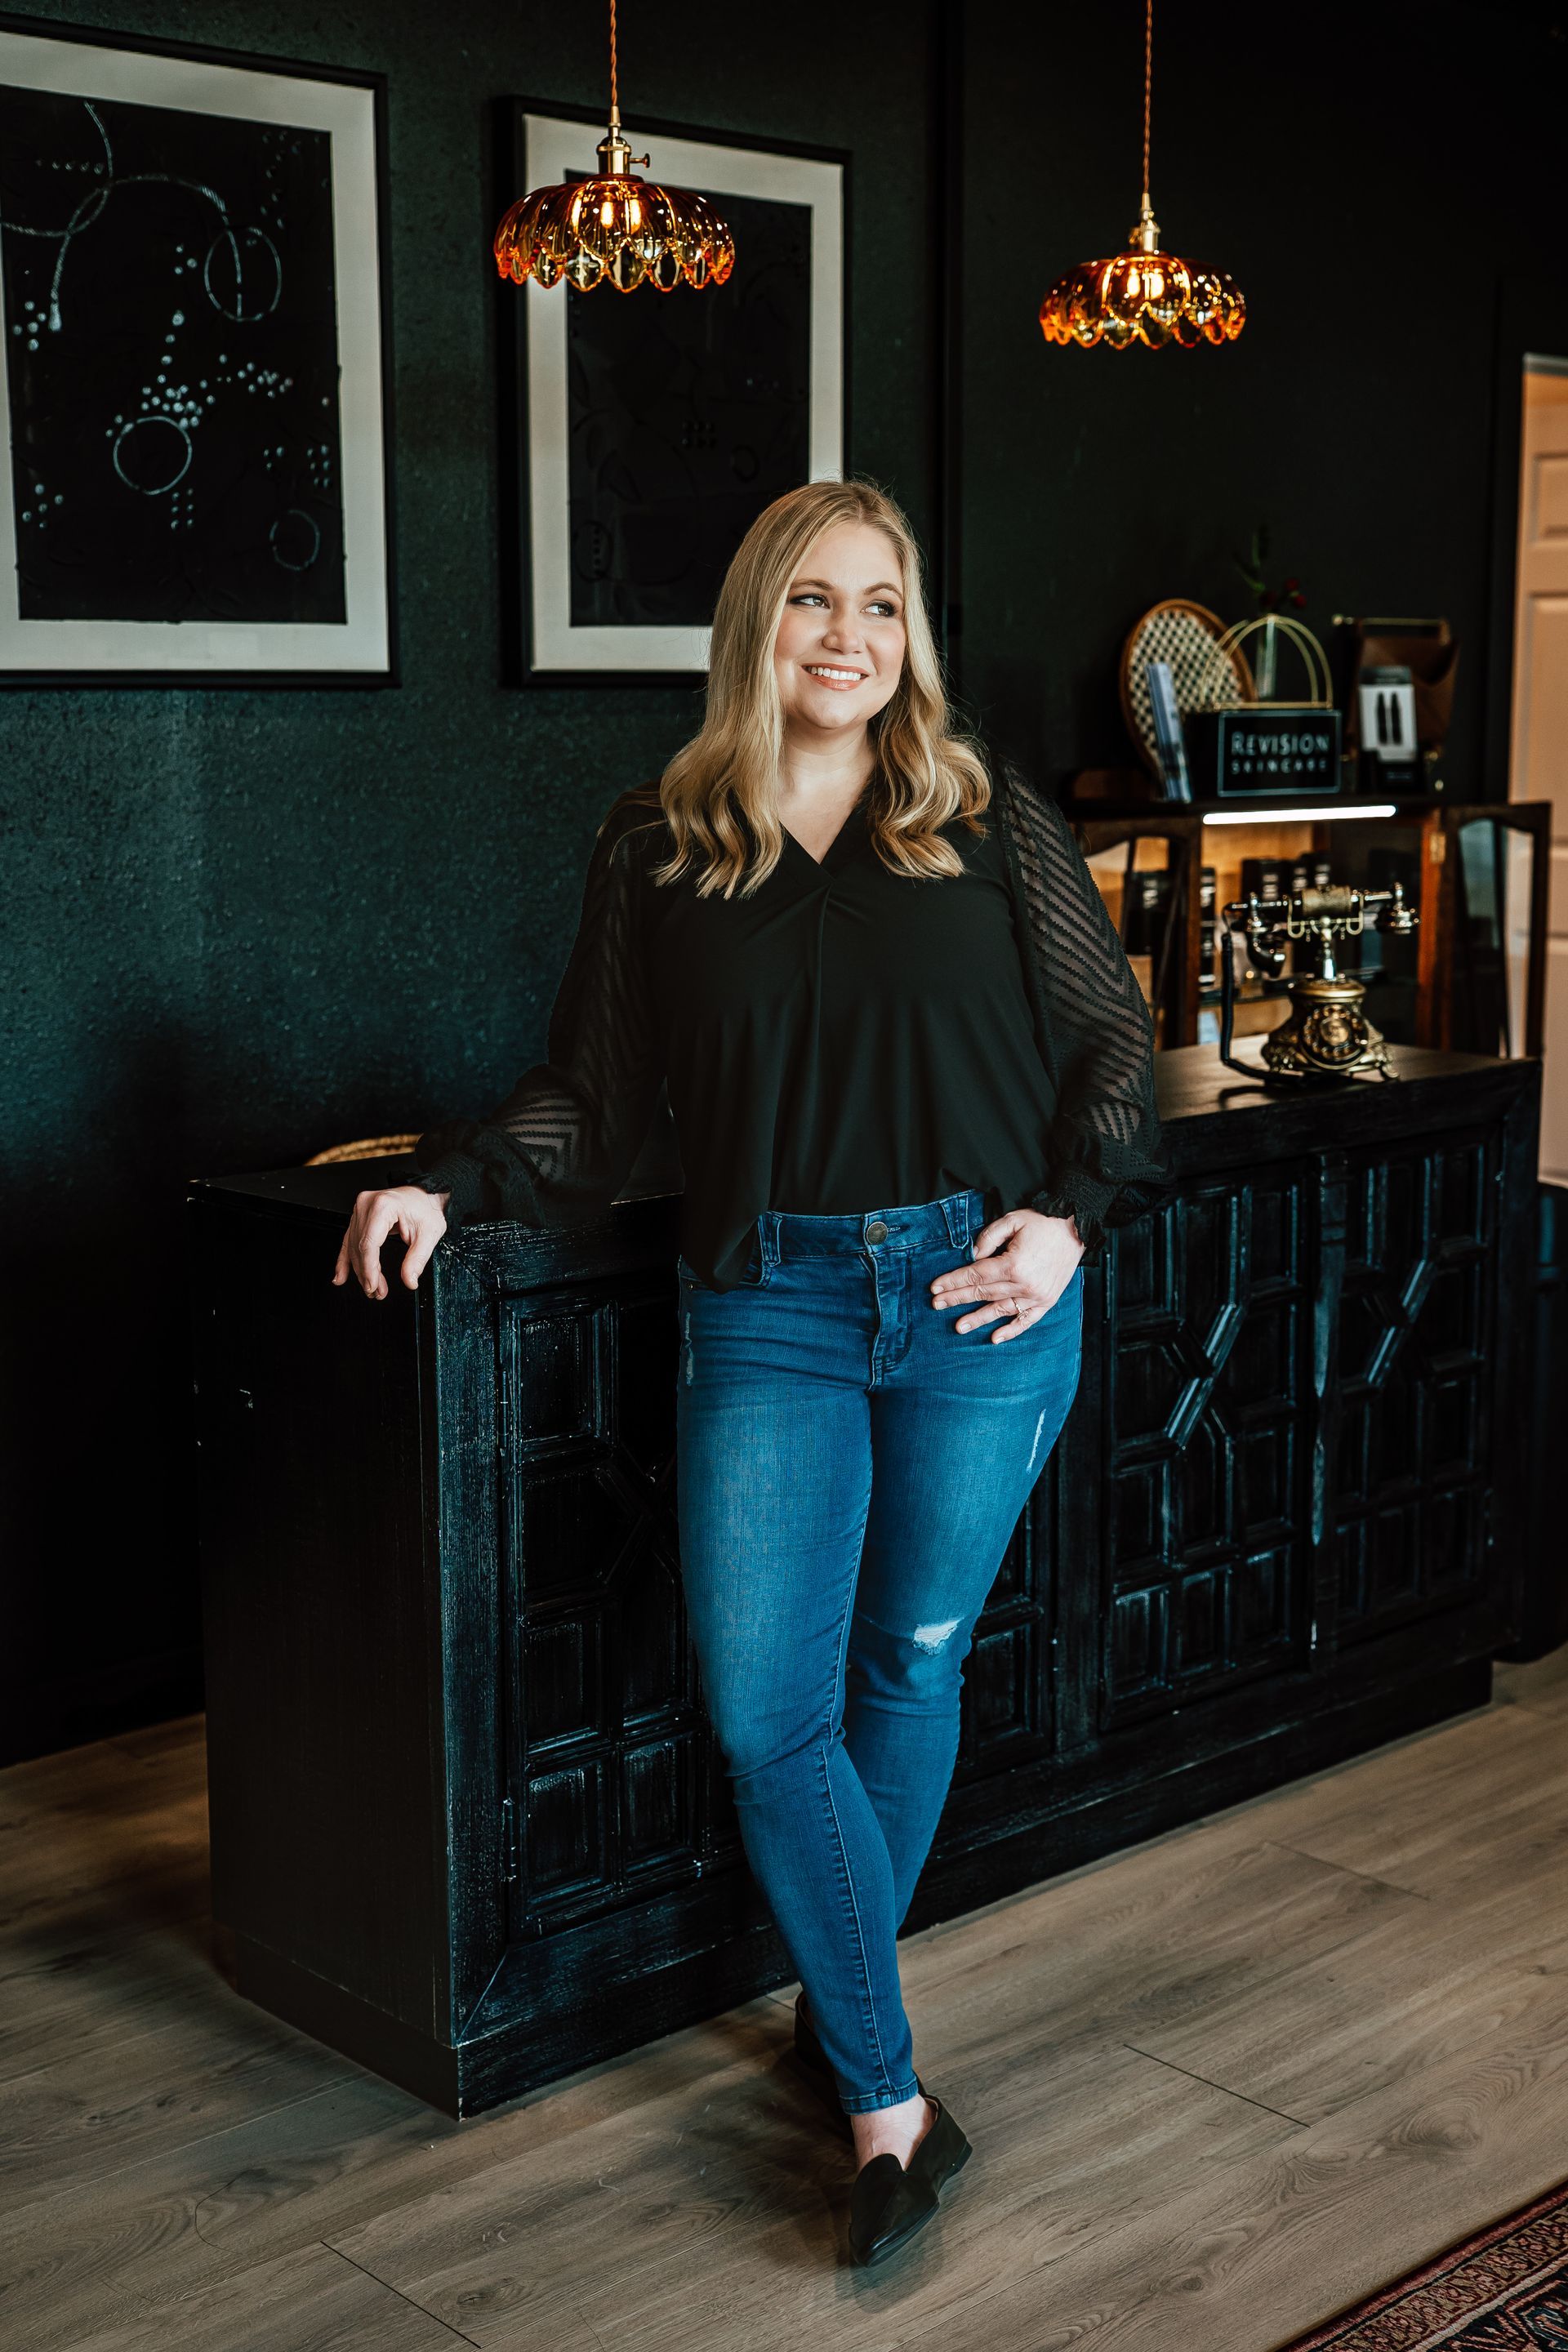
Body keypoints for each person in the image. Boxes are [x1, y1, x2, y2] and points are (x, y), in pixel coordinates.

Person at [333, 477, 1167, 2267]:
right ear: (754, 628)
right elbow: (592, 1100)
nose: (848, 638)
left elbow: (1113, 1033)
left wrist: (1070, 1217)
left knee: (911, 1658)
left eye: (878, 606)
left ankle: (840, 2026)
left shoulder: (979, 810)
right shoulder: (659, 843)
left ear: (908, 636)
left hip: (978, 1290)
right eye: (811, 602)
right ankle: (891, 2094)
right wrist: (445, 1177)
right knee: (766, 1709)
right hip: (766, 1301)